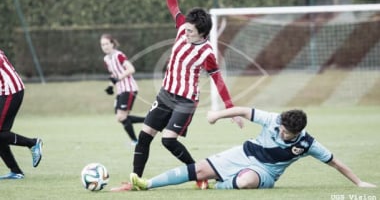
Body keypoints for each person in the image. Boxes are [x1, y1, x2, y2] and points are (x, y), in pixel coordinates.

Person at [111, 0, 243, 192]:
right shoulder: (183, 26)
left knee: (168, 140)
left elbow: (217, 79)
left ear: (202, 33)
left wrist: (230, 108)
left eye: (191, 30)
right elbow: (172, 3)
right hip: (165, 96)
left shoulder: (207, 53)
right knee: (144, 137)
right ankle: (134, 182)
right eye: (187, 28)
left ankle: (198, 173)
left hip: (185, 101)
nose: (186, 31)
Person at [127, 106, 376, 190]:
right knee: (198, 170)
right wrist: (217, 115)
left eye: (286, 132)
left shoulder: (306, 144)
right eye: (280, 127)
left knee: (245, 182)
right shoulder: (273, 119)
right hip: (244, 153)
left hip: (265, 173)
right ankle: (147, 183)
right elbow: (244, 111)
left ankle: (217, 185)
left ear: (297, 133)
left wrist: (358, 183)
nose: (280, 132)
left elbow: (334, 161)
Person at [0, 49, 43, 179]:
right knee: (1, 135)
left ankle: (32, 143)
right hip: (7, 92)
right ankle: (16, 171)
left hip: (10, 92)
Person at [100, 34, 145, 145]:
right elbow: (113, 74)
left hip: (129, 89)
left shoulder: (119, 55)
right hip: (120, 90)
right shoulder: (106, 59)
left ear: (112, 44)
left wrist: (117, 79)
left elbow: (131, 69)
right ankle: (148, 122)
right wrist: (110, 86)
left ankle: (135, 140)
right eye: (102, 45)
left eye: (106, 44)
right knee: (120, 118)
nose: (105, 46)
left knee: (121, 116)